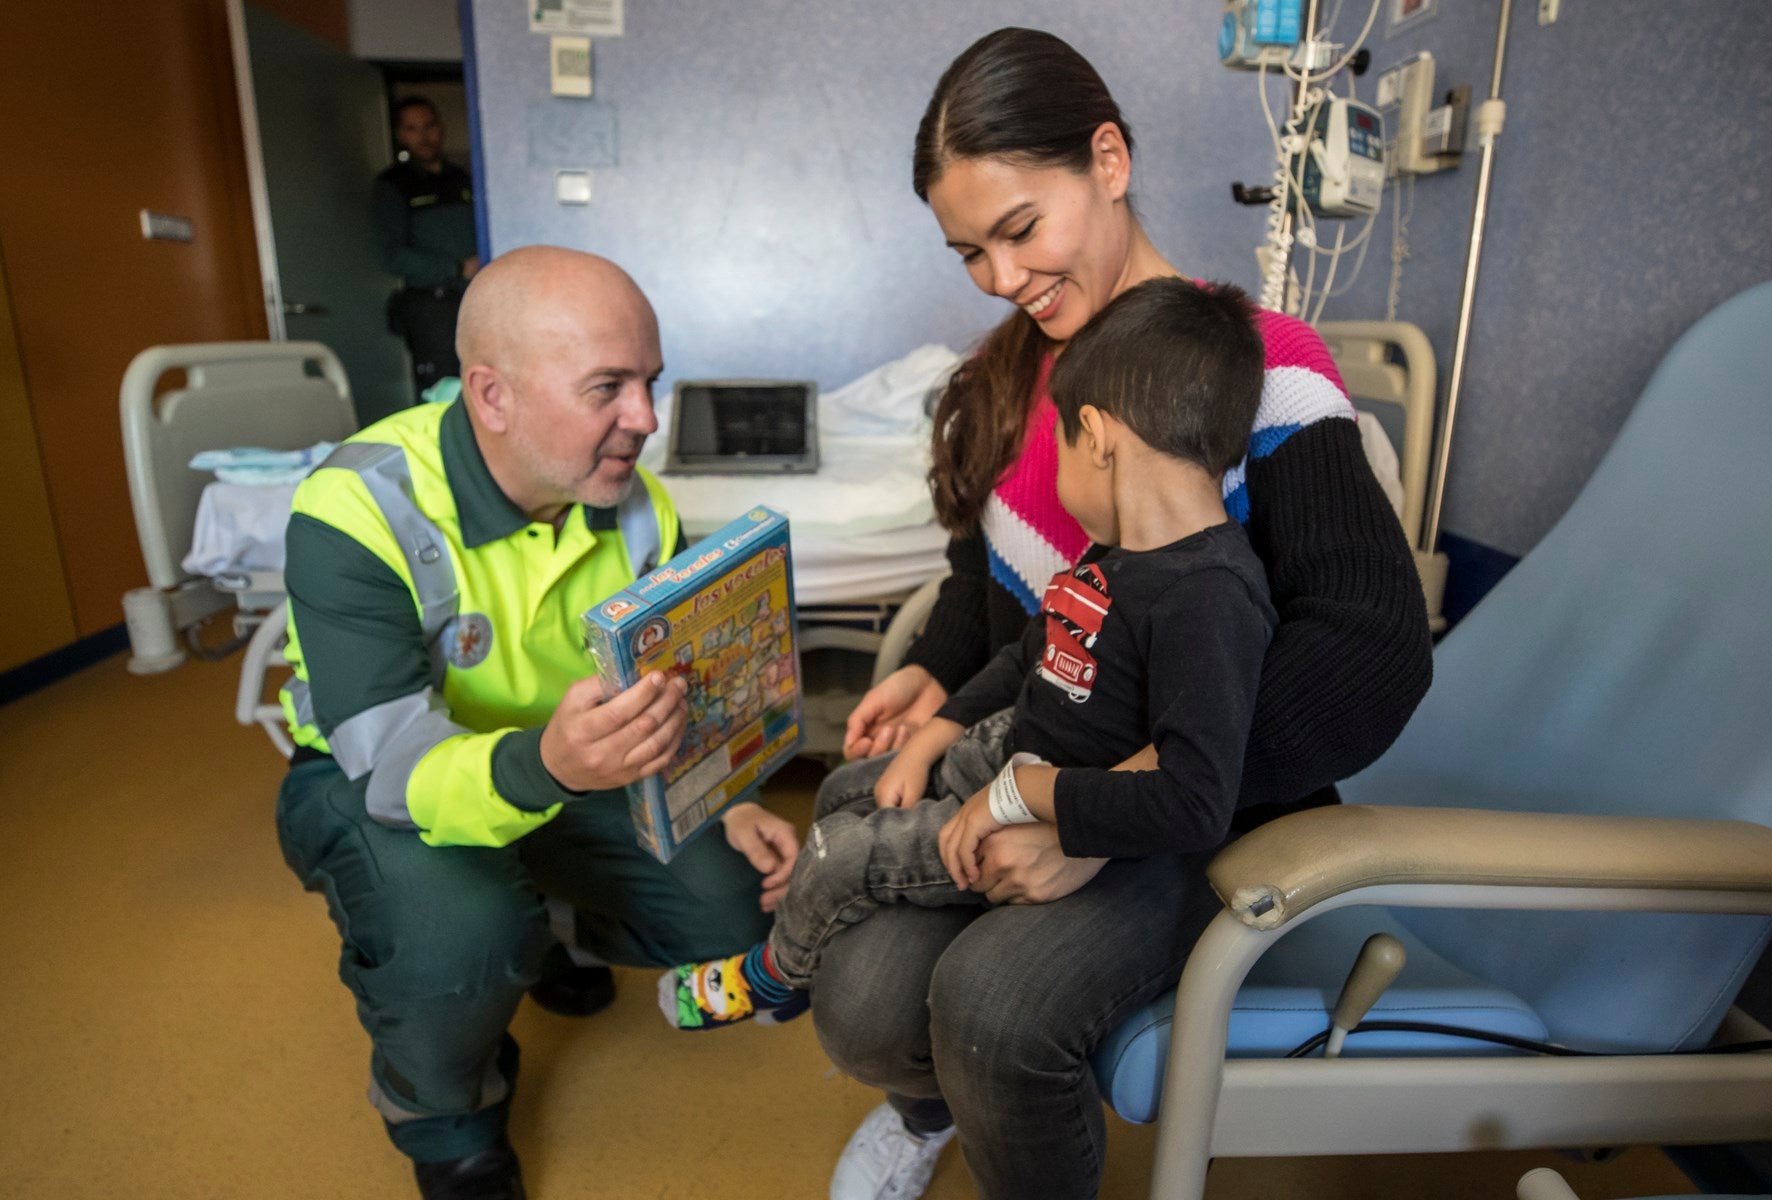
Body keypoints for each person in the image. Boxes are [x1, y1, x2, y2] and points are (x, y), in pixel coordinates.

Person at [816, 28, 1435, 1200]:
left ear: (1109, 160)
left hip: (1201, 797)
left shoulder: (1263, 370)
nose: (1002, 278)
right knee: (862, 1003)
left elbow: (1371, 653)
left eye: (1020, 230)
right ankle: (924, 1110)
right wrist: (934, 678)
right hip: (1033, 750)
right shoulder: (1008, 378)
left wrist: (1097, 814)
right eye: (970, 252)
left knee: (994, 1010)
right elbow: (992, 586)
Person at [274, 246, 800, 1200]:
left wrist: (730, 798)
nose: (646, 419)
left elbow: (679, 693)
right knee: (460, 938)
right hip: (379, 783)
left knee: (736, 907)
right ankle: (443, 1119)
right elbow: (391, 768)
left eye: (650, 382)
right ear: (493, 396)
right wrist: (550, 769)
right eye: (608, 387)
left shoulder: (638, 508)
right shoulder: (356, 508)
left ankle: (549, 929)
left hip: (571, 768)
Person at [656, 278, 1274, 1036]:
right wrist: (932, 737)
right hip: (1006, 752)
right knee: (848, 787)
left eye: (1057, 444)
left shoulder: (1209, 597)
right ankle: (815, 932)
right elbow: (1026, 657)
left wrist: (1014, 797)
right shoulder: (1114, 556)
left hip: (1041, 801)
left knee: (836, 854)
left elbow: (1194, 799)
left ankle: (774, 976)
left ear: (1096, 436)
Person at [374, 96, 480, 392]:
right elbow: (392, 255)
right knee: (443, 391)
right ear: (401, 135)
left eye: (429, 126)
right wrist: (457, 268)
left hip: (474, 299)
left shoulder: (462, 178)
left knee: (483, 381)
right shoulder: (392, 185)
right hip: (431, 308)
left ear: (441, 128)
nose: (423, 136)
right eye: (412, 129)